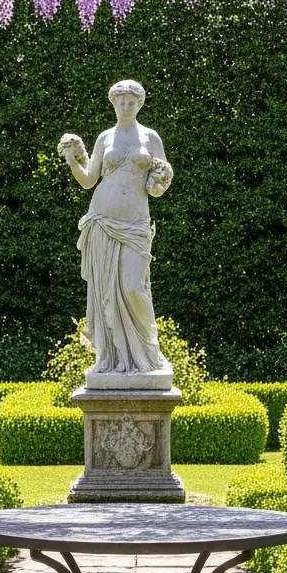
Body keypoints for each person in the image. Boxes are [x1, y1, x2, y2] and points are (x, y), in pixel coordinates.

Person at [57, 79, 174, 383]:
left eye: (131, 102)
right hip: (102, 219)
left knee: (134, 287)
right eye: (120, 102)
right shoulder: (104, 138)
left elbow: (161, 180)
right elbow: (88, 180)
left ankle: (149, 354)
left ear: (139, 105)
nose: (125, 107)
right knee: (106, 290)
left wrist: (160, 181)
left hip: (135, 223)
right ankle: (111, 358)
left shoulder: (150, 137)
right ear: (113, 104)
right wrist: (72, 161)